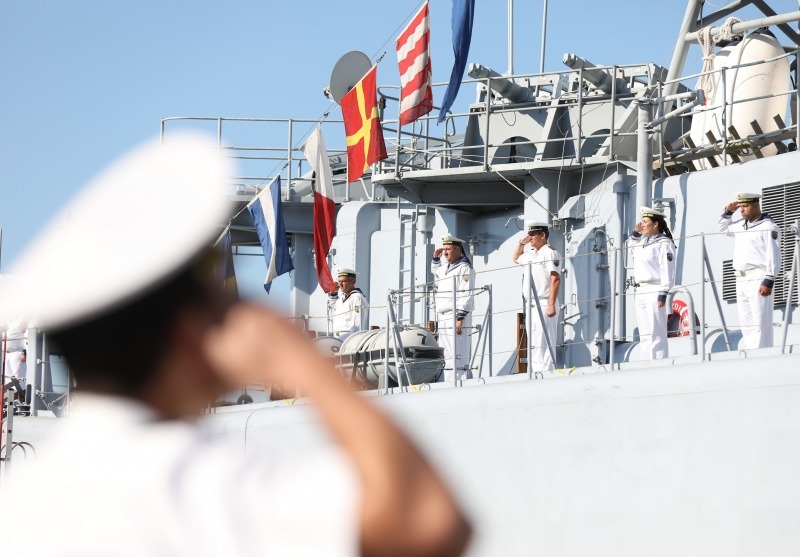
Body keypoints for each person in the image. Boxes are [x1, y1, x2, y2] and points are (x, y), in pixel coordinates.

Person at [0, 136, 471, 557]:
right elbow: (427, 522)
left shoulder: (22, 502)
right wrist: (303, 364)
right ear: (189, 333)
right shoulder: (196, 484)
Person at [719, 192, 781, 349]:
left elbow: (774, 254)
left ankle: (762, 354)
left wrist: (769, 279)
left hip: (758, 277)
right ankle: (751, 354)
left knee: (760, 322)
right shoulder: (741, 225)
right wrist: (728, 212)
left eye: (745, 206)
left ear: (756, 205)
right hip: (741, 278)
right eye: (740, 206)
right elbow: (722, 228)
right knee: (746, 322)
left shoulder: (768, 227)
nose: (742, 209)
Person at [628, 207, 677, 360]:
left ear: (655, 224)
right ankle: (646, 363)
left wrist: (663, 292)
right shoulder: (643, 242)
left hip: (655, 289)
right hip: (641, 290)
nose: (641, 224)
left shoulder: (664, 243)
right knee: (645, 333)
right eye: (641, 221)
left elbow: (667, 269)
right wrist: (636, 234)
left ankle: (659, 362)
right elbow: (630, 249)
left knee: (657, 331)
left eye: (645, 222)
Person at [512, 221, 561, 373]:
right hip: (531, 304)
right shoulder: (531, 254)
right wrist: (521, 243)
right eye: (529, 235)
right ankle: (534, 373)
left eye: (533, 235)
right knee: (533, 341)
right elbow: (516, 258)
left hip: (545, 302)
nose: (530, 237)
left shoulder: (550, 253)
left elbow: (555, 278)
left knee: (544, 341)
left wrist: (551, 304)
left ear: (543, 235)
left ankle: (546, 373)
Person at [431, 235, 475, 382]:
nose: (445, 252)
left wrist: (460, 318)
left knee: (457, 351)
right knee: (445, 352)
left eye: (448, 249)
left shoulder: (464, 268)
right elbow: (436, 271)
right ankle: (448, 381)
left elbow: (467, 292)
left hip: (456, 315)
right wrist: (435, 259)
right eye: (444, 249)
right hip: (443, 315)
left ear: (457, 250)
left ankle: (459, 381)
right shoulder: (446, 268)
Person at [331, 268, 369, 341]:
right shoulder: (341, 299)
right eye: (339, 281)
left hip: (348, 339)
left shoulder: (357, 298)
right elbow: (332, 306)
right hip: (337, 337)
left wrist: (353, 342)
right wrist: (334, 292)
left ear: (353, 282)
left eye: (343, 281)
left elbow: (357, 324)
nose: (340, 284)